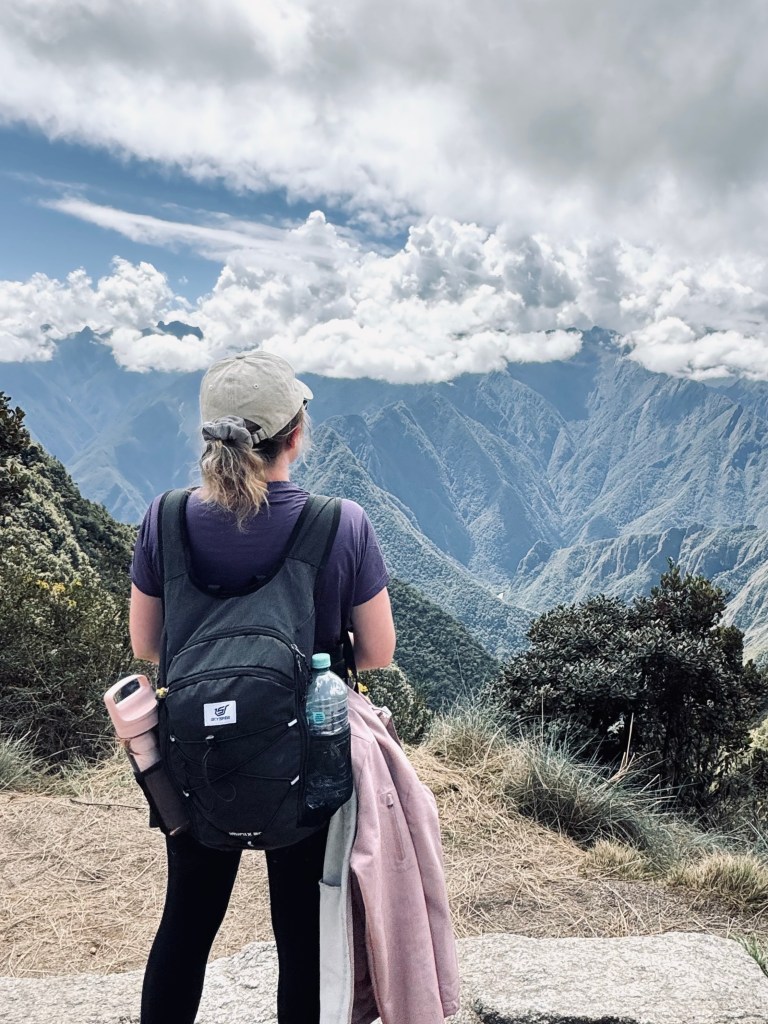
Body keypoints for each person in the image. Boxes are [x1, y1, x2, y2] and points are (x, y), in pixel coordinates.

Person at [129, 350, 396, 1024]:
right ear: (295, 435)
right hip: (306, 759)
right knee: (302, 939)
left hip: (196, 757)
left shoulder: (164, 520)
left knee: (186, 927)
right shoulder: (341, 523)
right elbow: (380, 651)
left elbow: (148, 644)